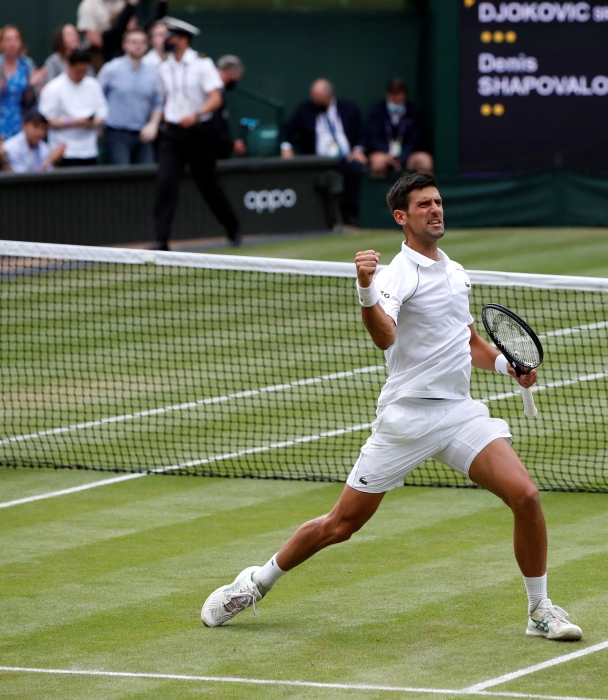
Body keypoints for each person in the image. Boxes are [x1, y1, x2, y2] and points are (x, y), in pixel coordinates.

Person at [200, 172, 584, 641]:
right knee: (340, 525)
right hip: (405, 420)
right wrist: (364, 289)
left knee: (525, 496)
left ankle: (539, 610)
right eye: (424, 205)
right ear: (402, 217)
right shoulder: (394, 276)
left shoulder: (455, 272)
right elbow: (385, 334)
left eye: (438, 202)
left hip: (458, 413)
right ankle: (256, 583)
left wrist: (508, 367)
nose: (436, 210)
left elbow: (468, 343)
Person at [152, 16, 241, 250]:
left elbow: (215, 98)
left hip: (197, 134)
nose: (166, 41)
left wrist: (197, 114)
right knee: (165, 184)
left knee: (209, 185)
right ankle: (162, 240)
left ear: (183, 39)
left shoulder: (202, 64)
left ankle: (233, 228)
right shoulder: (164, 67)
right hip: (172, 135)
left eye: (170, 37)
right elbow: (165, 99)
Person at [280, 78, 367, 225]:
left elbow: (362, 134)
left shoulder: (349, 108)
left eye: (319, 99)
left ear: (330, 95)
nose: (316, 103)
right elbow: (286, 131)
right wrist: (286, 147)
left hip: (345, 158)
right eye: (314, 99)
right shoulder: (305, 109)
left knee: (356, 168)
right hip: (317, 160)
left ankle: (350, 216)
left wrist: (358, 150)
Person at [99, 28, 160, 165]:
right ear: (124, 45)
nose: (138, 45)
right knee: (122, 178)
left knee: (147, 176)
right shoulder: (111, 69)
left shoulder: (154, 73)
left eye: (142, 42)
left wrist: (153, 124)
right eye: (133, 42)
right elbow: (96, 97)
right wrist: (98, 126)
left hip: (143, 134)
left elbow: (158, 103)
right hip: (116, 134)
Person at [38, 48, 106, 166]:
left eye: (84, 71)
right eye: (78, 71)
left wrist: (91, 122)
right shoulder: (54, 88)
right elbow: (46, 120)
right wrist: (73, 122)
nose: (81, 75)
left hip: (89, 150)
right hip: (63, 152)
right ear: (69, 65)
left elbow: (102, 115)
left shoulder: (94, 85)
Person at [366, 77, 432, 179]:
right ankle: (377, 194)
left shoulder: (414, 111)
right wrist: (389, 155)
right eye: (393, 95)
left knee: (424, 160)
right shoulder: (377, 110)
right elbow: (374, 138)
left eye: (399, 95)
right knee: (378, 161)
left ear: (405, 95)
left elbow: (416, 138)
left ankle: (425, 194)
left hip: (408, 153)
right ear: (387, 94)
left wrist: (403, 156)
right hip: (384, 153)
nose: (396, 99)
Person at [0, 25, 43, 139]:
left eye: (16, 39)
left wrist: (31, 85)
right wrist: (2, 84)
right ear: (1, 43)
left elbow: (31, 101)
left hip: (22, 119)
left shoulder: (27, 64)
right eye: (8, 39)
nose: (12, 43)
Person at [77, 0, 125, 67]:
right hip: (98, 53)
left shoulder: (118, 0)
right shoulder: (89, 3)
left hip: (120, 50)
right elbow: (94, 40)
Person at [214, 54, 246, 156]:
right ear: (231, 72)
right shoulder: (214, 91)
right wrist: (231, 144)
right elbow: (215, 125)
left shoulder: (219, 91)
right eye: (237, 76)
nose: (236, 80)